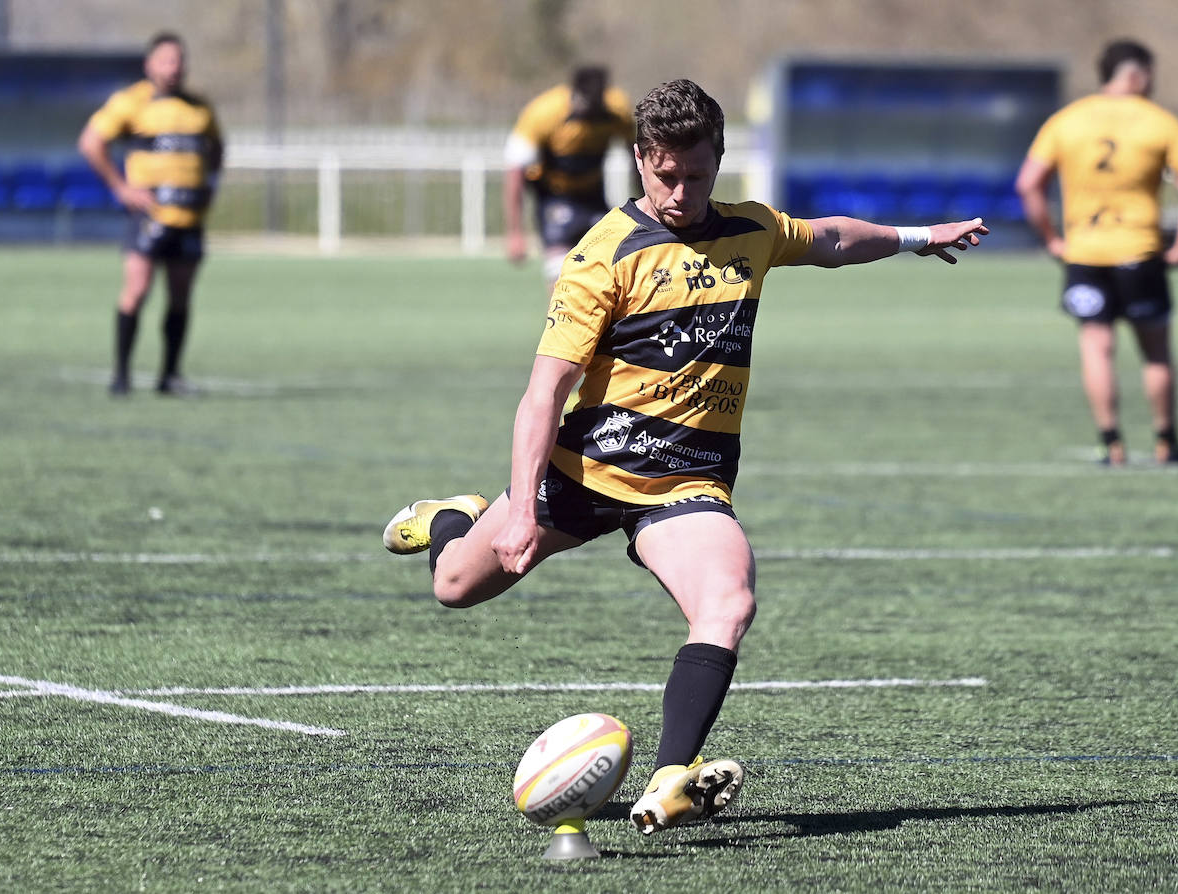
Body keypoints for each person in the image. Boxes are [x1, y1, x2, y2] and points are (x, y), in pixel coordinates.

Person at [382, 79, 986, 835]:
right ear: (639, 159)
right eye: (664, 175)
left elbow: (827, 238)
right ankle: (452, 517)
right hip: (581, 473)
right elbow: (543, 396)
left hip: (685, 487)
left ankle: (671, 776)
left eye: (695, 176)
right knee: (453, 586)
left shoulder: (751, 230)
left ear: (718, 162)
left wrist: (918, 237)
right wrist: (519, 507)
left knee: (728, 602)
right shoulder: (602, 258)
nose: (679, 191)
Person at [1015, 39, 1178, 465]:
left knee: (1096, 348)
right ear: (1137, 75)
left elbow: (1028, 184)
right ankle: (1166, 442)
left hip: (1083, 253)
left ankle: (1112, 445)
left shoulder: (1066, 120)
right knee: (1155, 352)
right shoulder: (1160, 122)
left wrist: (1051, 239)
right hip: (1139, 252)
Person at [78, 30, 224, 397]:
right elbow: (91, 142)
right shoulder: (132, 102)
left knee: (180, 296)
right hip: (149, 216)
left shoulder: (198, 106)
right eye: (167, 60)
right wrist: (121, 187)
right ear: (150, 64)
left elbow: (218, 148)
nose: (175, 68)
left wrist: (210, 185)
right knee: (137, 290)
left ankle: (170, 376)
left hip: (189, 219)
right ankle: (122, 374)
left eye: (179, 60)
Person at [502, 65, 636, 289]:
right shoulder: (544, 113)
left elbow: (636, 157)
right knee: (559, 273)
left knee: (613, 264)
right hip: (554, 197)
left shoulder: (617, 110)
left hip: (593, 195)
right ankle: (560, 322)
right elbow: (515, 171)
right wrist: (515, 232)